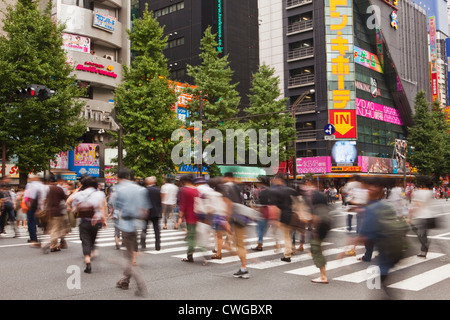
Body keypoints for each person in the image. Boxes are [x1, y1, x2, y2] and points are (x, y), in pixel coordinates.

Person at [110, 168, 148, 297]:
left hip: (125, 224)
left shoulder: (118, 189)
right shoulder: (139, 189)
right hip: (137, 223)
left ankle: (140, 284)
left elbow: (115, 207)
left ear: (118, 177)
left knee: (128, 257)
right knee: (130, 254)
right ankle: (125, 280)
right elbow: (145, 208)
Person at [67, 175, 107, 274]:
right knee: (92, 241)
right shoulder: (100, 194)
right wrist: (104, 220)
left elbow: (68, 201)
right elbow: (102, 207)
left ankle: (87, 262)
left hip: (84, 221)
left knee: (85, 241)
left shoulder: (80, 194)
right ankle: (92, 252)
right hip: (96, 222)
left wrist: (79, 189)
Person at [270, 175, 298, 263]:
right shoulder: (291, 190)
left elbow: (277, 208)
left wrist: (277, 219)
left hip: (284, 216)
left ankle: (287, 255)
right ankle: (291, 249)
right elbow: (297, 202)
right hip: (292, 215)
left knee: (287, 236)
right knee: (290, 234)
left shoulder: (278, 192)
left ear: (279, 180)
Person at [41, 175, 69, 253]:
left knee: (53, 229)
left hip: (49, 212)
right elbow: (66, 199)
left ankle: (54, 245)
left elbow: (44, 200)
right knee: (57, 230)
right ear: (56, 181)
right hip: (58, 211)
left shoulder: (47, 189)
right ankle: (47, 244)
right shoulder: (59, 189)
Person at [409, 183, 436, 258]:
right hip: (429, 216)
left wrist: (411, 215)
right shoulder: (430, 193)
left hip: (422, 217)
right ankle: (424, 248)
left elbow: (417, 204)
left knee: (420, 233)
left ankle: (425, 248)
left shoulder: (419, 193)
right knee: (423, 234)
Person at [177, 174, 200, 263]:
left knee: (191, 236)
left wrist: (180, 217)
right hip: (198, 216)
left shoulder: (184, 190)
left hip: (190, 216)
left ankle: (190, 255)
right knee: (193, 235)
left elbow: (183, 204)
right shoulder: (196, 190)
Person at [24, 175, 48, 247]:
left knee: (31, 222)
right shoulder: (43, 186)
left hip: (33, 206)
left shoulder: (30, 185)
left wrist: (28, 205)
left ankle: (34, 239)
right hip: (43, 207)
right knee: (42, 223)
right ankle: (47, 239)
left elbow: (29, 196)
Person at [141, 176, 161, 251]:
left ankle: (143, 244)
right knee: (156, 229)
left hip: (146, 212)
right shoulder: (158, 190)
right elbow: (160, 201)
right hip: (156, 212)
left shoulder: (145, 190)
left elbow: (142, 201)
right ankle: (157, 245)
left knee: (144, 229)